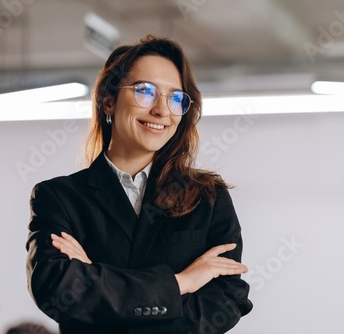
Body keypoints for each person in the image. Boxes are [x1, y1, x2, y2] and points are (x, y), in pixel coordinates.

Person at [26, 35, 253, 334]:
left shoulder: (207, 197)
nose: (161, 110)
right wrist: (179, 283)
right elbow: (58, 293)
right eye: (145, 91)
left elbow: (227, 302)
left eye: (175, 97)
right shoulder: (59, 198)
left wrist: (97, 277)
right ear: (109, 100)